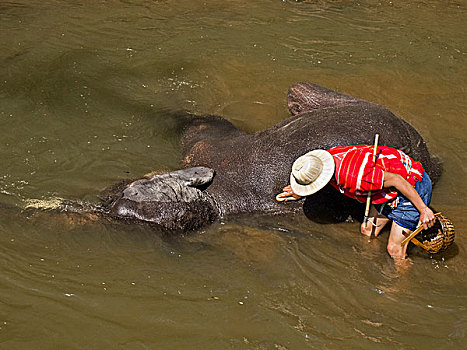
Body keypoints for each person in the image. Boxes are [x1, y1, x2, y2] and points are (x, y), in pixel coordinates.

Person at [276, 145, 436, 259]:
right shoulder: (330, 158)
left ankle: (400, 288)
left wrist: (423, 209)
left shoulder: (356, 178)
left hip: (411, 185)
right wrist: (299, 189)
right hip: (385, 190)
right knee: (367, 231)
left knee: (394, 250)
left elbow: (397, 179)